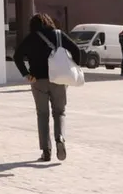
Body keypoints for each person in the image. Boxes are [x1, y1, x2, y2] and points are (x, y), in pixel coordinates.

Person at [12, 13, 82, 163]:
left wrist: (26, 74)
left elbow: (17, 56)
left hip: (38, 80)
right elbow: (76, 50)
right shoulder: (58, 35)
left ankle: (46, 151)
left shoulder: (31, 38)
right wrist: (72, 67)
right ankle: (60, 138)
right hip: (58, 80)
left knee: (42, 114)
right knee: (60, 112)